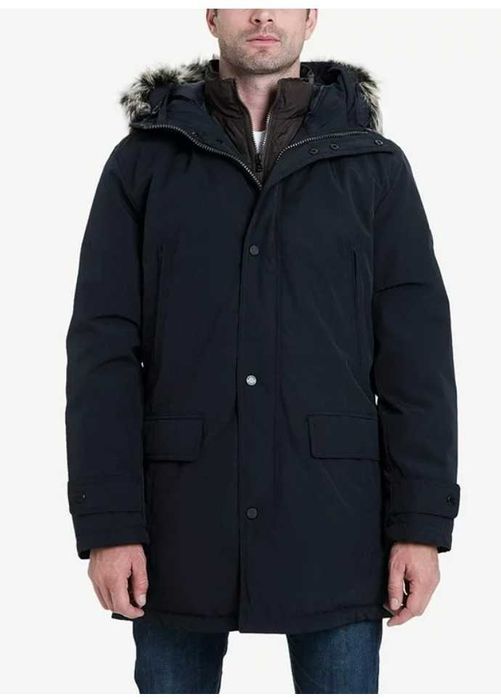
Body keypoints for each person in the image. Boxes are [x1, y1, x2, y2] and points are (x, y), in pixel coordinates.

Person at [65, 8, 461, 694]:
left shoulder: (372, 166)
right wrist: (109, 523)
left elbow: (417, 360)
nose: (262, 14)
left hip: (336, 522)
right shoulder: (144, 163)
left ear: (310, 16)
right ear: (211, 15)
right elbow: (103, 353)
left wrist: (420, 526)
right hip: (179, 523)